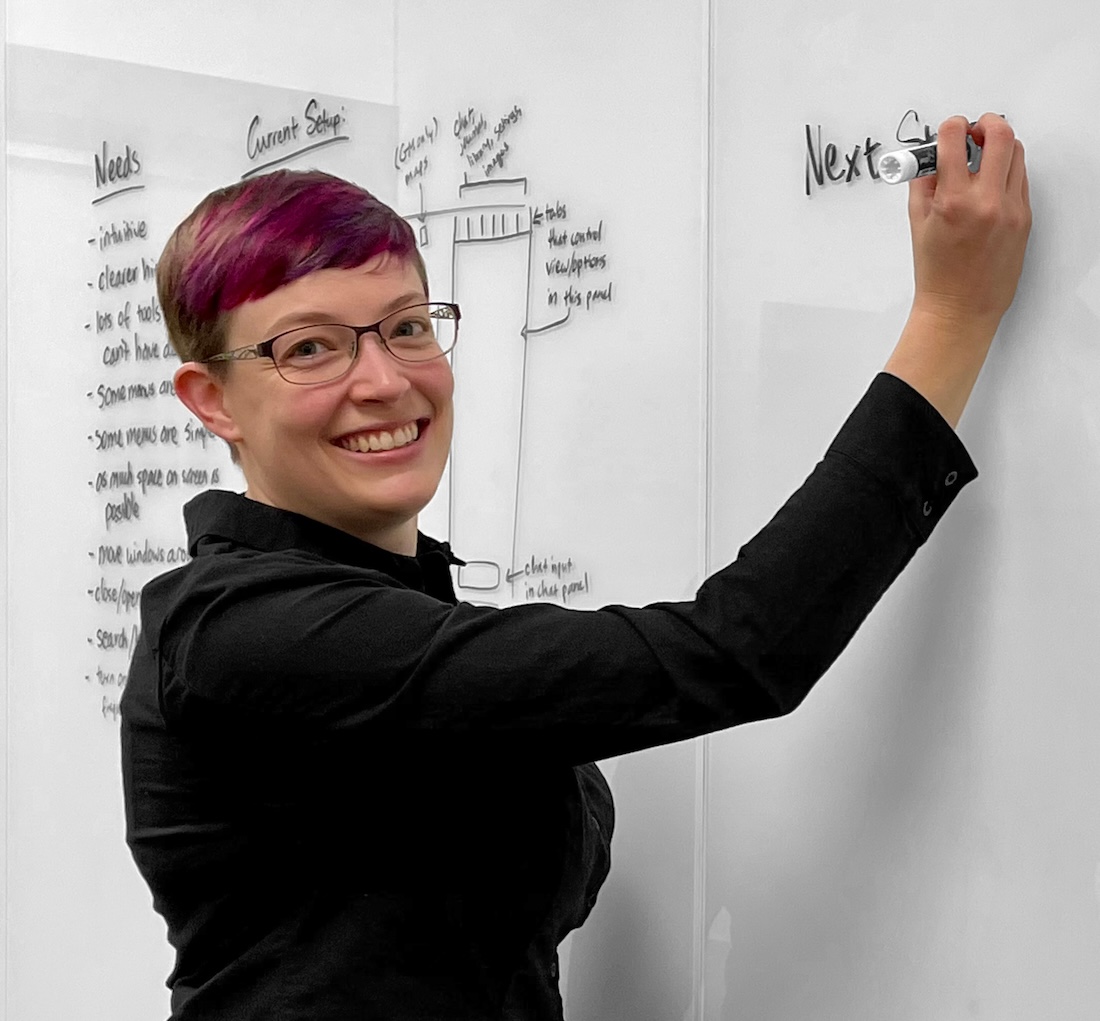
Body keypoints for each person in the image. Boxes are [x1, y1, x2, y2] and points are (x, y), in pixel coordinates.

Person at [120, 113, 1031, 1020]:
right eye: (309, 346)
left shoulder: (402, 614)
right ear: (213, 401)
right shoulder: (239, 633)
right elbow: (738, 649)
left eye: (405, 326)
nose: (385, 380)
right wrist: (953, 317)